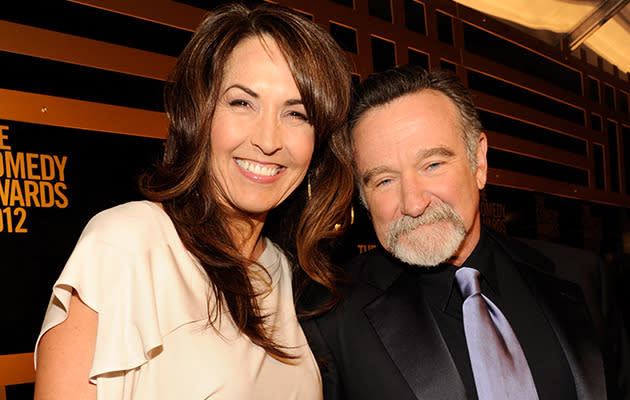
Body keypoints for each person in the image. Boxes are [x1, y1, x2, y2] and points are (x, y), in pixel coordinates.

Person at [33, 3, 354, 399]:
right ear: (199, 113)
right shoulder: (128, 243)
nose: (269, 140)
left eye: (297, 113)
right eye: (242, 103)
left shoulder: (282, 272)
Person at [301, 65, 629, 399]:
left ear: (479, 162)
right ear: (363, 196)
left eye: (432, 165)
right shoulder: (326, 318)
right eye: (385, 180)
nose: (413, 203)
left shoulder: (583, 277)